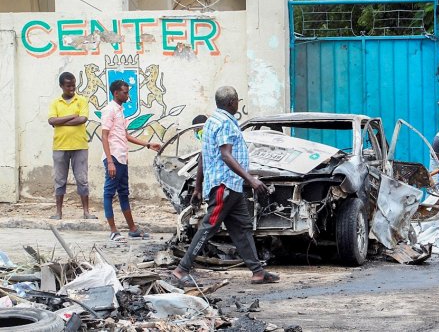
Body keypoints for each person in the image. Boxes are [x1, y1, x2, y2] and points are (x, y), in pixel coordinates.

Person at [172, 86, 280, 285]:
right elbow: (226, 154)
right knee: (208, 227)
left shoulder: (211, 122)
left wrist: (197, 187)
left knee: (242, 228)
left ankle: (257, 271)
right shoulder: (226, 124)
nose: (238, 103)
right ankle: (181, 270)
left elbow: (203, 156)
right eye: (237, 100)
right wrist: (251, 179)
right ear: (232, 103)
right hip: (225, 185)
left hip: (231, 186)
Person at [101, 80, 161, 242]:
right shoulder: (109, 110)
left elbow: (125, 136)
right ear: (116, 93)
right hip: (113, 157)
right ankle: (113, 231)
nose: (128, 95)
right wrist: (110, 161)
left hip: (121, 157)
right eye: (125, 92)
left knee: (123, 193)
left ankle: (132, 229)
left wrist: (148, 144)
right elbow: (104, 136)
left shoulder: (120, 111)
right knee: (108, 193)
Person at [47, 72, 96, 221]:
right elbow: (51, 120)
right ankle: (58, 212)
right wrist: (71, 116)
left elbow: (82, 119)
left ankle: (86, 212)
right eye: (68, 85)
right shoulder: (55, 103)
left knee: (82, 179)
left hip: (79, 145)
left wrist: (60, 122)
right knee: (60, 180)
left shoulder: (81, 100)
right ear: (61, 86)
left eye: (73, 85)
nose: (72, 88)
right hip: (60, 146)